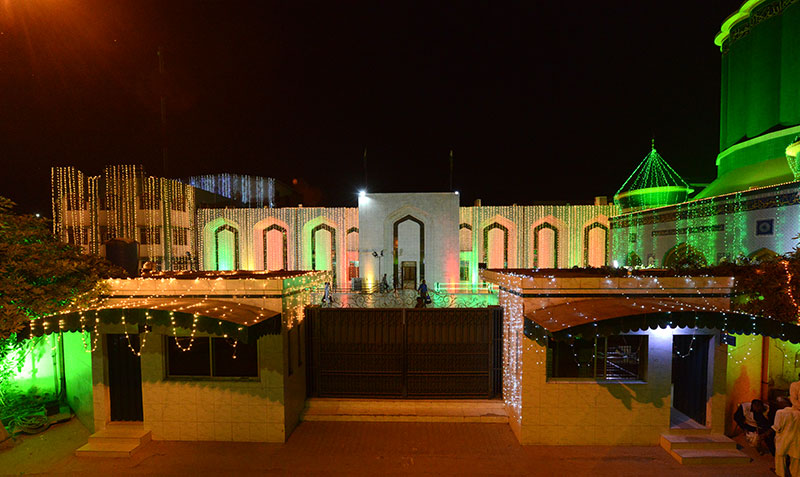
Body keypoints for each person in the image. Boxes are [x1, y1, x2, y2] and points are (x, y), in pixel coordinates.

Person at [773, 405, 800, 477]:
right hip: (797, 440)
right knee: (796, 460)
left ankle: (781, 474)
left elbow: (777, 427)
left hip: (783, 439)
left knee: (780, 458)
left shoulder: (780, 412)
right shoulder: (798, 413)